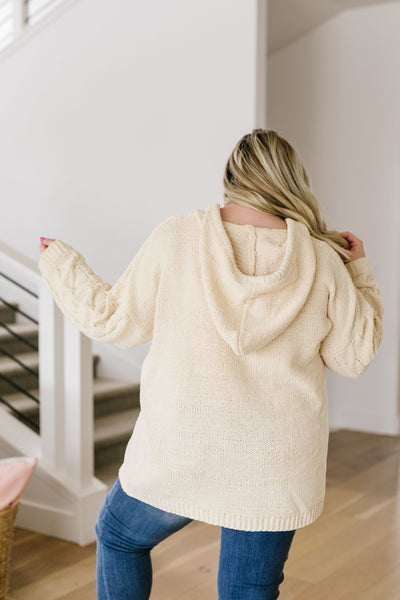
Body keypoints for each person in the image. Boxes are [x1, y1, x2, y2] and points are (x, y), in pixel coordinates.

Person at [38, 129, 384, 600]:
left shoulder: (176, 238)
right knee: (247, 589)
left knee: (119, 537)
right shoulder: (323, 260)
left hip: (179, 452)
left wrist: (61, 263)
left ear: (231, 178)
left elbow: (111, 320)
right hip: (275, 469)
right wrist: (359, 271)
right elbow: (353, 356)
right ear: (291, 181)